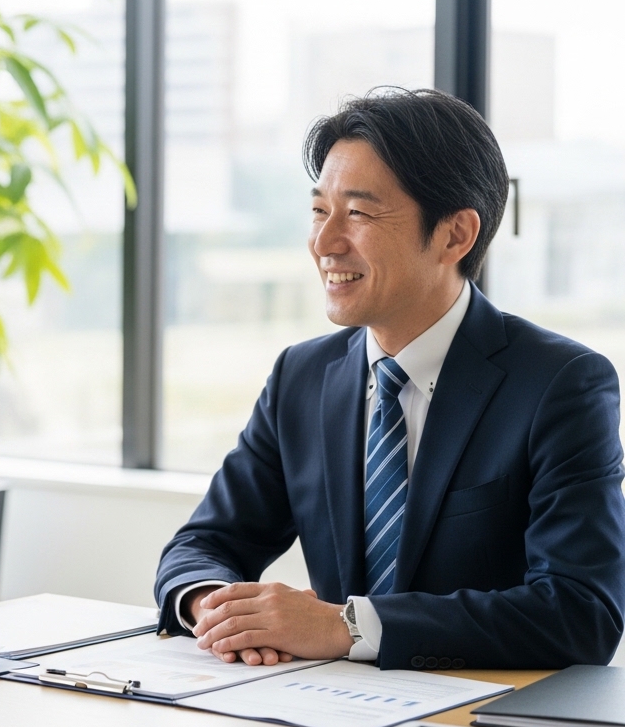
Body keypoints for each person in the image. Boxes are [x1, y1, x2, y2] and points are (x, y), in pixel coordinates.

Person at [155, 88, 625, 671]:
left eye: (357, 213)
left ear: (455, 235)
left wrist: (346, 627)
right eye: (319, 210)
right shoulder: (301, 377)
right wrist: (216, 609)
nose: (325, 244)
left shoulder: (561, 384)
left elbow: (582, 612)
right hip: (324, 722)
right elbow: (203, 545)